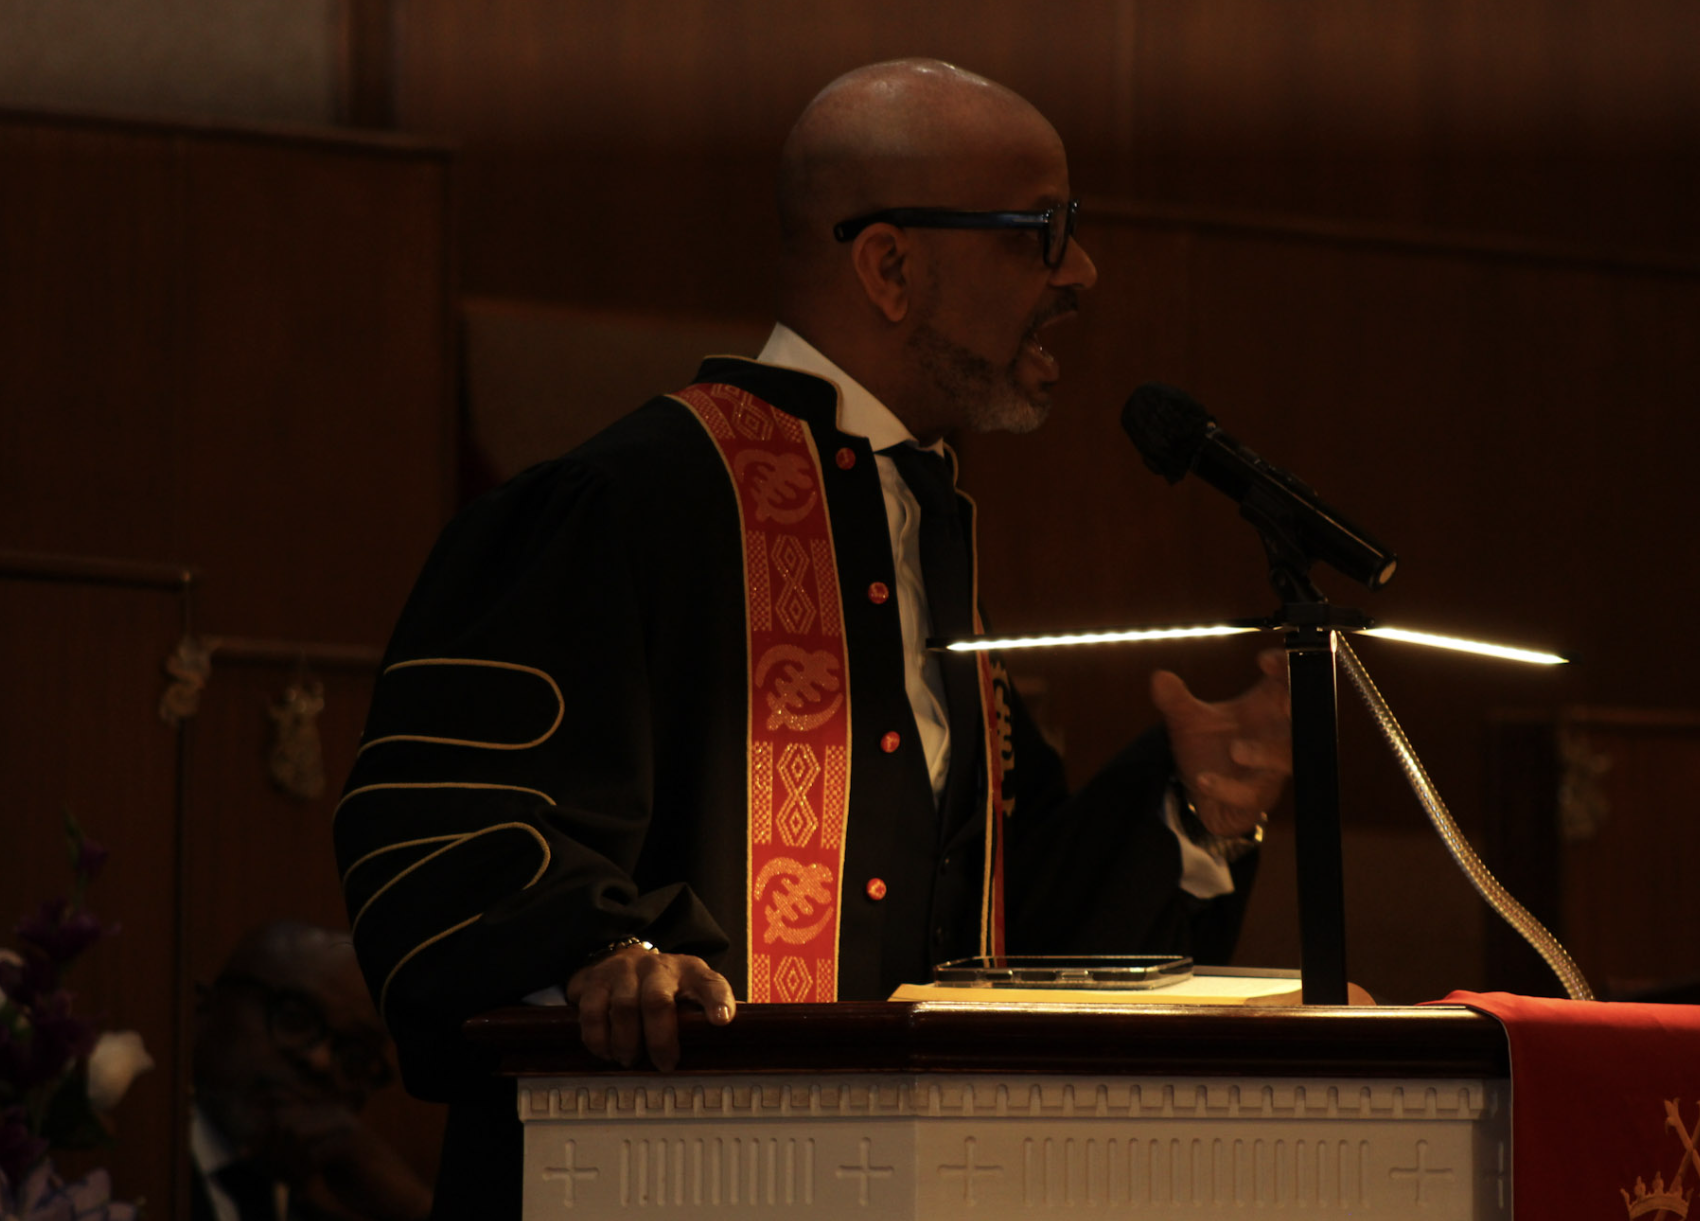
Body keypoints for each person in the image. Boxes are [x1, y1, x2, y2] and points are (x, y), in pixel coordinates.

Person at [334, 58, 1289, 1216]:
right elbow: (437, 823)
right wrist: (592, 957)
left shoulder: (919, 527)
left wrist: (1182, 808)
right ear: (889, 265)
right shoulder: (627, 501)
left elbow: (994, 939)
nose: (1078, 271)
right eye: (1041, 230)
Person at [191, 921, 432, 1221]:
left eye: (353, 1056)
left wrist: (415, 1209)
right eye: (294, 1019)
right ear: (203, 1008)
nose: (320, 1061)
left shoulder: (324, 1208)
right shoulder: (132, 1163)